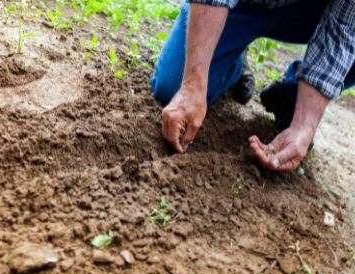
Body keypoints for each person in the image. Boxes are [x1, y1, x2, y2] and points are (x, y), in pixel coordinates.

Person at [150, 0, 355, 171]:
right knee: (173, 87)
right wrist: (192, 86)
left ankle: (292, 95)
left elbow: (344, 29)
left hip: (308, 11)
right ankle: (231, 64)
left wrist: (304, 125)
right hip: (240, 5)